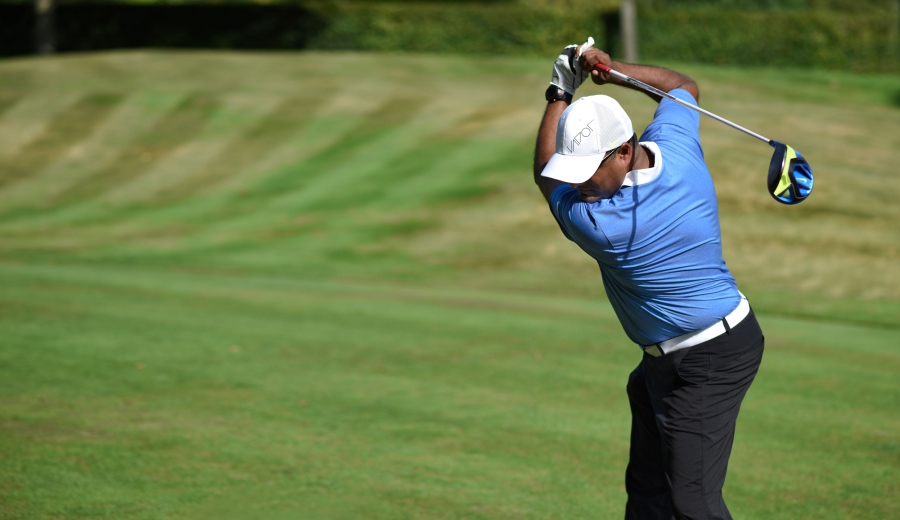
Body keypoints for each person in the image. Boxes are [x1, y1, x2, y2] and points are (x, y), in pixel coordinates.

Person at [533, 40, 765, 520]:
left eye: (588, 171)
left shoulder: (602, 225)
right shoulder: (676, 147)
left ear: (623, 151)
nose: (579, 183)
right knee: (646, 494)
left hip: (710, 359)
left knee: (693, 503)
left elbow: (543, 176)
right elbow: (681, 87)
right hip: (674, 355)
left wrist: (560, 92)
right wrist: (616, 70)